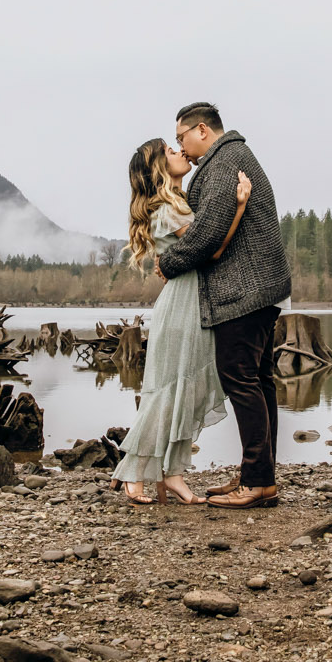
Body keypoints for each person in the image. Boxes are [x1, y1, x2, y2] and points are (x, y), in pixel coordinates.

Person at [153, 101, 292, 509]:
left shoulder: (224, 161)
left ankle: (257, 480)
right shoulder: (228, 158)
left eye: (181, 138)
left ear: (201, 130)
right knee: (259, 379)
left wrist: (169, 263)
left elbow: (209, 232)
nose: (182, 146)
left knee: (242, 379)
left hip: (244, 292)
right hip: (260, 289)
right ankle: (259, 477)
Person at [112, 138, 252, 504]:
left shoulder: (179, 203)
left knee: (185, 393)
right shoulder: (165, 211)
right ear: (159, 167)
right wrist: (238, 207)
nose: (180, 152)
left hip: (195, 305)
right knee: (166, 393)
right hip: (181, 309)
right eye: (171, 152)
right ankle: (133, 474)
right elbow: (214, 248)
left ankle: (172, 475)